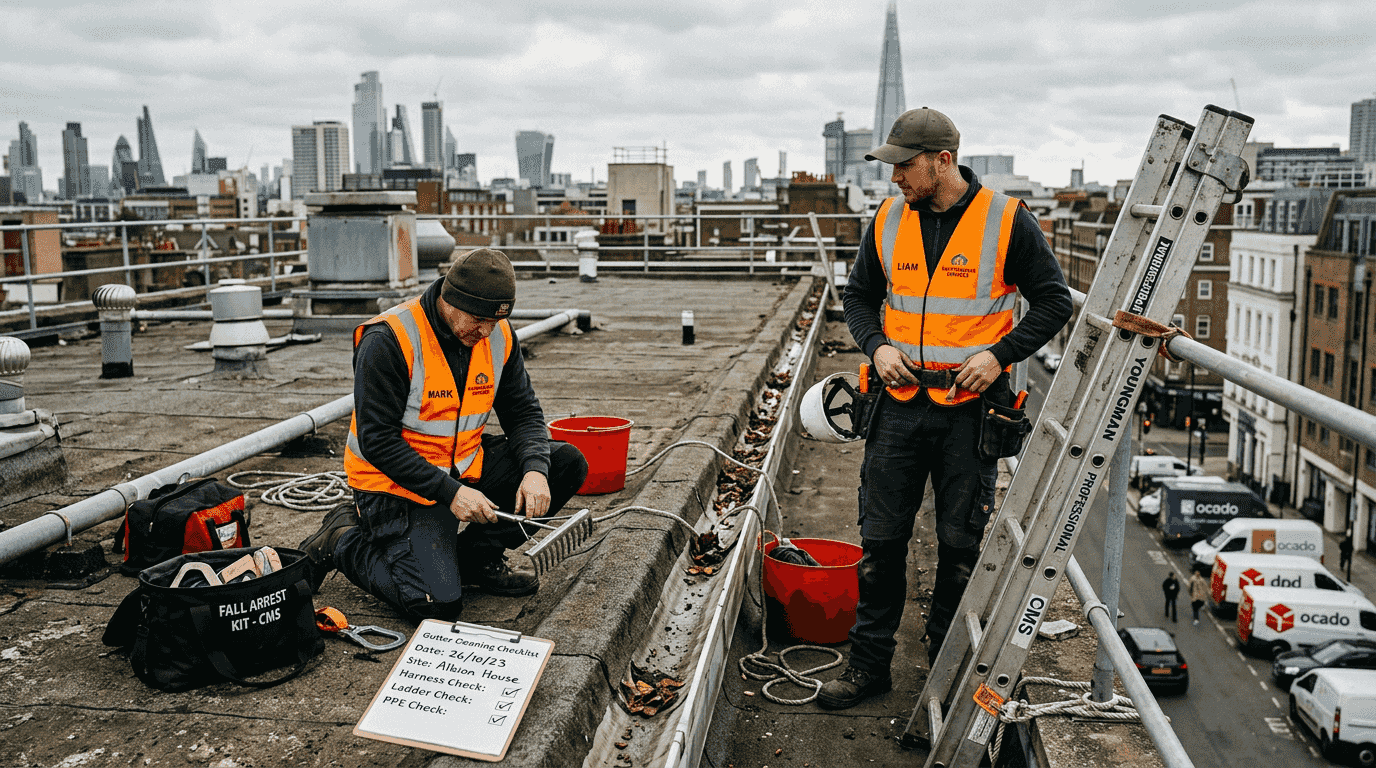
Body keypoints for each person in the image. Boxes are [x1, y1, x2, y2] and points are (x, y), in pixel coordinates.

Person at [818, 108, 1072, 709]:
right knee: (880, 545)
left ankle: (943, 671)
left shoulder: (1007, 221)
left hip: (970, 413)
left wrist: (999, 355)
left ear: (943, 160)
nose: (895, 178)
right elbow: (858, 296)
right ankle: (868, 667)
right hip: (898, 405)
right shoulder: (886, 218)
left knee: (959, 549)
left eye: (905, 166)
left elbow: (1054, 301)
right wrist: (876, 347)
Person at [300, 248, 589, 621]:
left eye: (495, 320)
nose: (485, 331)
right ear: (449, 300)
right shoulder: (389, 339)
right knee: (436, 606)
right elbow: (377, 441)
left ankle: (475, 561)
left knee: (565, 463)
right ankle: (342, 538)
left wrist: (535, 470)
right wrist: (450, 493)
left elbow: (523, 414)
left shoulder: (497, 334)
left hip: (461, 468)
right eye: (478, 319)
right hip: (393, 486)